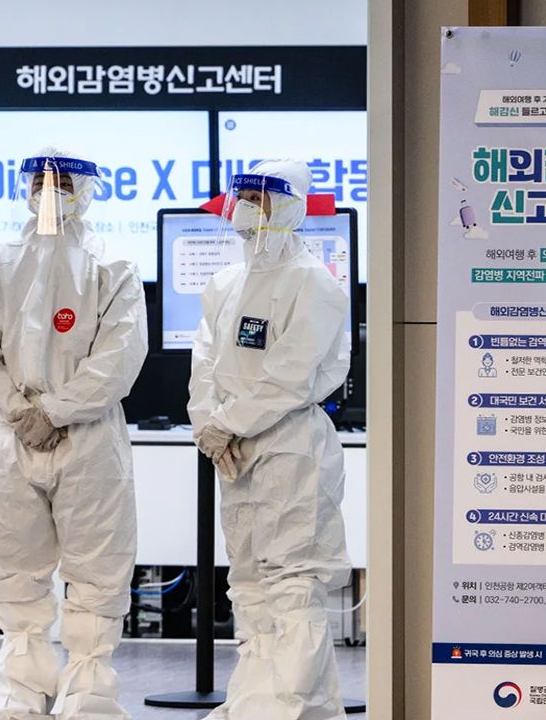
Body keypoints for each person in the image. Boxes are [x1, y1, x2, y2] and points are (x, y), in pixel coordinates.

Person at [0, 148, 146, 720]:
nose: (50, 190)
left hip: (87, 439)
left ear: (87, 190)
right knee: (14, 565)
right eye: (40, 180)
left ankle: (89, 687)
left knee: (96, 566)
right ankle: (21, 683)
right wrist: (20, 412)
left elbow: (120, 356)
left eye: (63, 181)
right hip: (10, 437)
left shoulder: (112, 265)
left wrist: (58, 410)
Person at [188, 159, 352, 720]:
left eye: (264, 196)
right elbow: (204, 361)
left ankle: (287, 705)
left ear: (292, 206)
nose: (251, 206)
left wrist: (228, 423)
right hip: (232, 451)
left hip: (289, 445)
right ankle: (265, 701)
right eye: (245, 194)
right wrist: (207, 425)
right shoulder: (225, 283)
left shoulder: (316, 283)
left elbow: (292, 371)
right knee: (250, 582)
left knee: (293, 581)